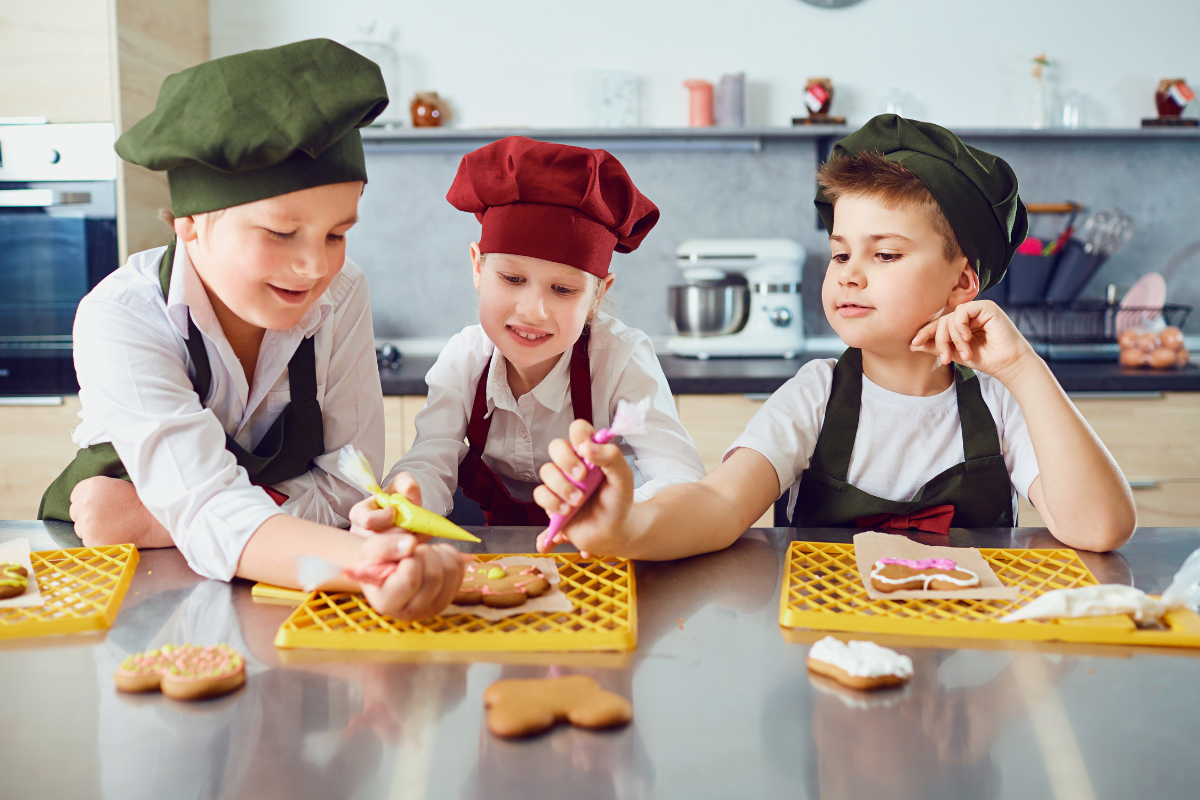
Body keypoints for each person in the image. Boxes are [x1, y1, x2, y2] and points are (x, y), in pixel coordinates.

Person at [532, 115, 1136, 556]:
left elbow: (1101, 529)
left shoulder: (998, 403)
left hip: (961, 661)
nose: (849, 272)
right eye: (841, 252)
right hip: (828, 649)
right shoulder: (815, 395)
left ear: (963, 282)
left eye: (887, 254)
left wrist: (1024, 370)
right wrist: (629, 527)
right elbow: (719, 506)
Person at [38, 39, 464, 620]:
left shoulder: (343, 293)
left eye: (336, 234)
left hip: (288, 594)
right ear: (190, 222)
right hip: (132, 605)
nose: (315, 267)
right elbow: (216, 507)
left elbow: (352, 482)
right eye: (281, 234)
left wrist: (154, 518)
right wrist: (357, 561)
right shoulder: (123, 319)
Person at [350, 137, 705, 533]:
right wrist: (407, 495)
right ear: (477, 269)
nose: (533, 311)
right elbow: (431, 459)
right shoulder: (465, 358)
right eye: (513, 278)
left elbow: (682, 480)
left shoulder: (621, 358)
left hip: (614, 548)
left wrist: (621, 513)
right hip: (503, 549)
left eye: (563, 290)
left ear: (597, 295)